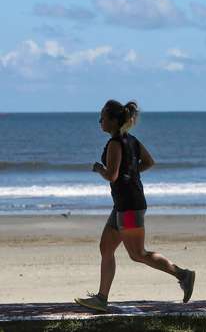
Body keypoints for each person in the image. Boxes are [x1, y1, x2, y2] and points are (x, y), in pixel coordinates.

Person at [75, 100, 195, 313]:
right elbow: (149, 162)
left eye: (102, 117)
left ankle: (182, 274)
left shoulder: (115, 143)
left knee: (137, 253)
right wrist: (131, 173)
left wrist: (99, 169)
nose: (99, 121)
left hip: (129, 207)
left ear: (112, 120)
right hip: (123, 205)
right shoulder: (132, 141)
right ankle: (102, 298)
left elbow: (112, 175)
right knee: (106, 247)